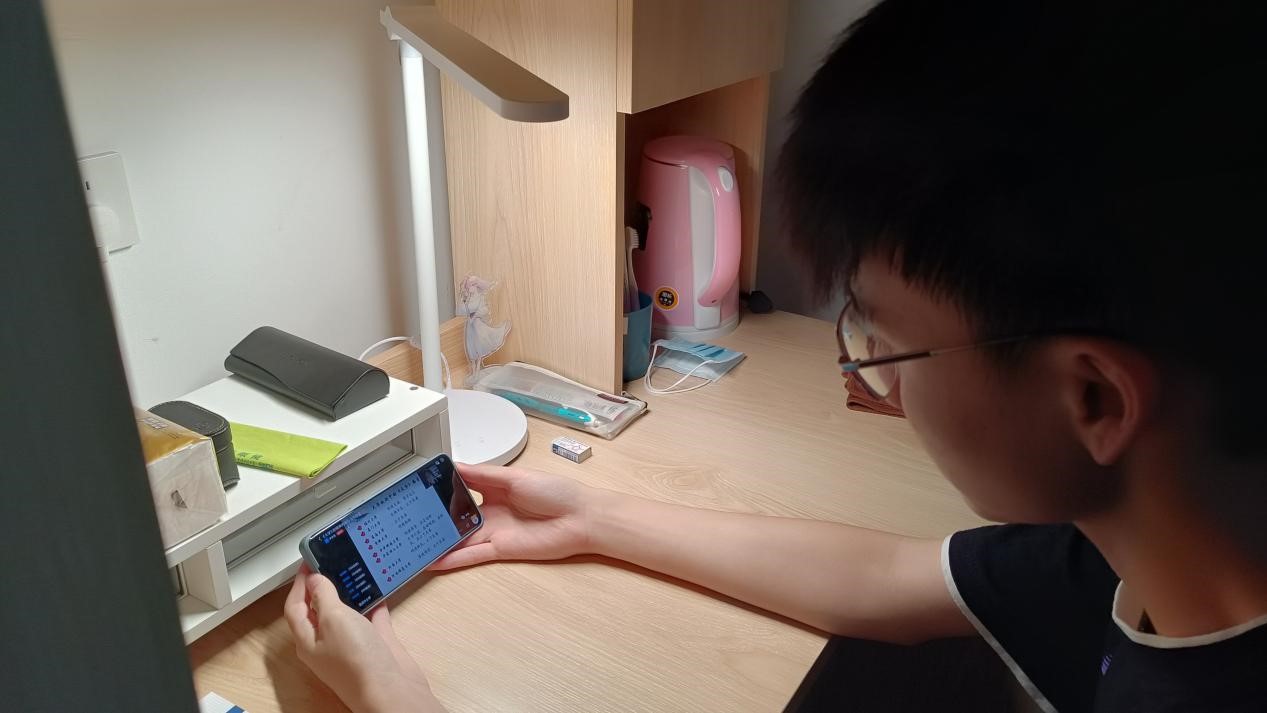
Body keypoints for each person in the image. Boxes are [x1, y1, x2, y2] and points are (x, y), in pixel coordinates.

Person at [284, 0, 1267, 710]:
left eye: (887, 339)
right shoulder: (1139, 543)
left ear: (1093, 398)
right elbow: (886, 576)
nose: (880, 384)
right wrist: (594, 515)